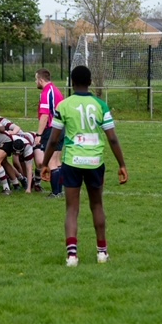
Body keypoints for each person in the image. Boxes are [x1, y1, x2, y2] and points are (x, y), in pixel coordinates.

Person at [40, 65, 128, 268]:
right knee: (97, 205)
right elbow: (113, 139)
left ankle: (72, 256)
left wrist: (44, 164)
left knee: (72, 209)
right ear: (90, 82)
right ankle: (102, 253)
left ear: (71, 82)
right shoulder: (100, 105)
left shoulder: (63, 105)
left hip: (72, 162)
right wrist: (122, 164)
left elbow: (53, 140)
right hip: (95, 162)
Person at [34, 68, 64, 197]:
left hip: (51, 130)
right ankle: (60, 191)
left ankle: (55, 192)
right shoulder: (57, 91)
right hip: (61, 128)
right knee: (57, 161)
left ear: (41, 80)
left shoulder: (46, 93)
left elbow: (45, 116)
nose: (35, 82)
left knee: (51, 161)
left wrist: (39, 134)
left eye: (36, 80)